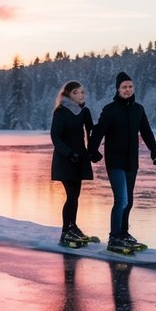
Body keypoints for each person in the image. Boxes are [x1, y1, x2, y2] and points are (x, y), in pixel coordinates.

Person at [88, 71, 156, 254]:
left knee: (129, 201)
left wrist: (154, 150)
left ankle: (124, 233)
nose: (128, 90)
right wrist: (92, 151)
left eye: (130, 86)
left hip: (131, 161)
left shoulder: (138, 109)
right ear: (118, 89)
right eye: (124, 87)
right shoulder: (110, 110)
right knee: (121, 200)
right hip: (115, 161)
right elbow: (98, 132)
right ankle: (114, 238)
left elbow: (146, 131)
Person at [50, 80, 97, 246]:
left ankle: (73, 226)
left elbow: (92, 132)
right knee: (71, 196)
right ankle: (65, 231)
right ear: (69, 94)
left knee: (75, 196)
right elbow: (55, 137)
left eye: (83, 92)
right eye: (78, 92)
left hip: (80, 158)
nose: (81, 95)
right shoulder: (61, 112)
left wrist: (93, 151)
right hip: (65, 160)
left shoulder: (84, 112)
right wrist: (69, 154)